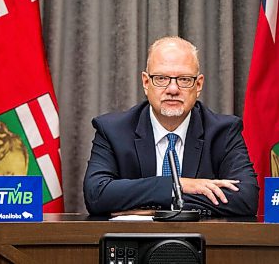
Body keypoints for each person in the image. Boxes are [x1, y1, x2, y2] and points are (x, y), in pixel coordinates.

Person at [83, 36, 258, 216]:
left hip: (203, 242)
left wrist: (154, 209)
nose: (173, 89)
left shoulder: (223, 132)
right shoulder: (113, 130)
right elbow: (96, 194)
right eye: (161, 78)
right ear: (146, 83)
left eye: (183, 79)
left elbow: (246, 199)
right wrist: (178, 185)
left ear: (198, 85)